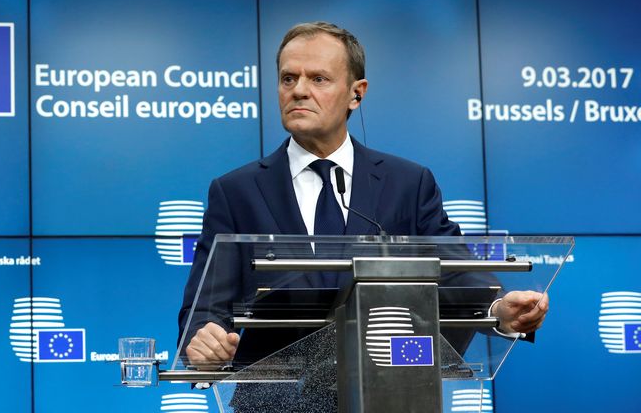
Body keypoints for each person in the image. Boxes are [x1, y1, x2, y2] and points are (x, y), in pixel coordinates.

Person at [178, 21, 549, 369]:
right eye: (288, 78)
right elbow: (205, 307)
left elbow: (454, 273)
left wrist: (499, 308)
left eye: (318, 78)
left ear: (357, 94)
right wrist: (203, 341)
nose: (299, 90)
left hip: (388, 390)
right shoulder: (236, 191)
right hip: (272, 397)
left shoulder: (408, 183)